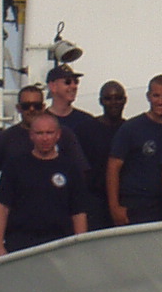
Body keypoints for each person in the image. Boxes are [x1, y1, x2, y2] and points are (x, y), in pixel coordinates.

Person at [0, 112, 89, 255]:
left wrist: (80, 247)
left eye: (49, 133)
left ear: (58, 135)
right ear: (31, 135)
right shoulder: (15, 165)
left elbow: (78, 213)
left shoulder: (70, 167)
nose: (45, 138)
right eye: (39, 133)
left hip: (60, 244)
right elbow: (2, 208)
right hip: (20, 244)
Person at [0, 84, 82, 204]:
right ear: (18, 108)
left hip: (59, 212)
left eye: (37, 106)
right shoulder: (6, 138)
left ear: (43, 107)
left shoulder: (64, 135)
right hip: (18, 217)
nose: (32, 109)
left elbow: (80, 172)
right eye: (26, 106)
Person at [45, 64, 114, 230]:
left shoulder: (88, 122)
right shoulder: (40, 123)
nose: (74, 86)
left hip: (84, 202)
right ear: (53, 86)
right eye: (68, 82)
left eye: (76, 82)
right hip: (50, 201)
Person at [106, 75, 162, 225]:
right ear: (148, 96)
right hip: (135, 204)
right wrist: (114, 207)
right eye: (156, 95)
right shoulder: (131, 128)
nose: (160, 101)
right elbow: (113, 167)